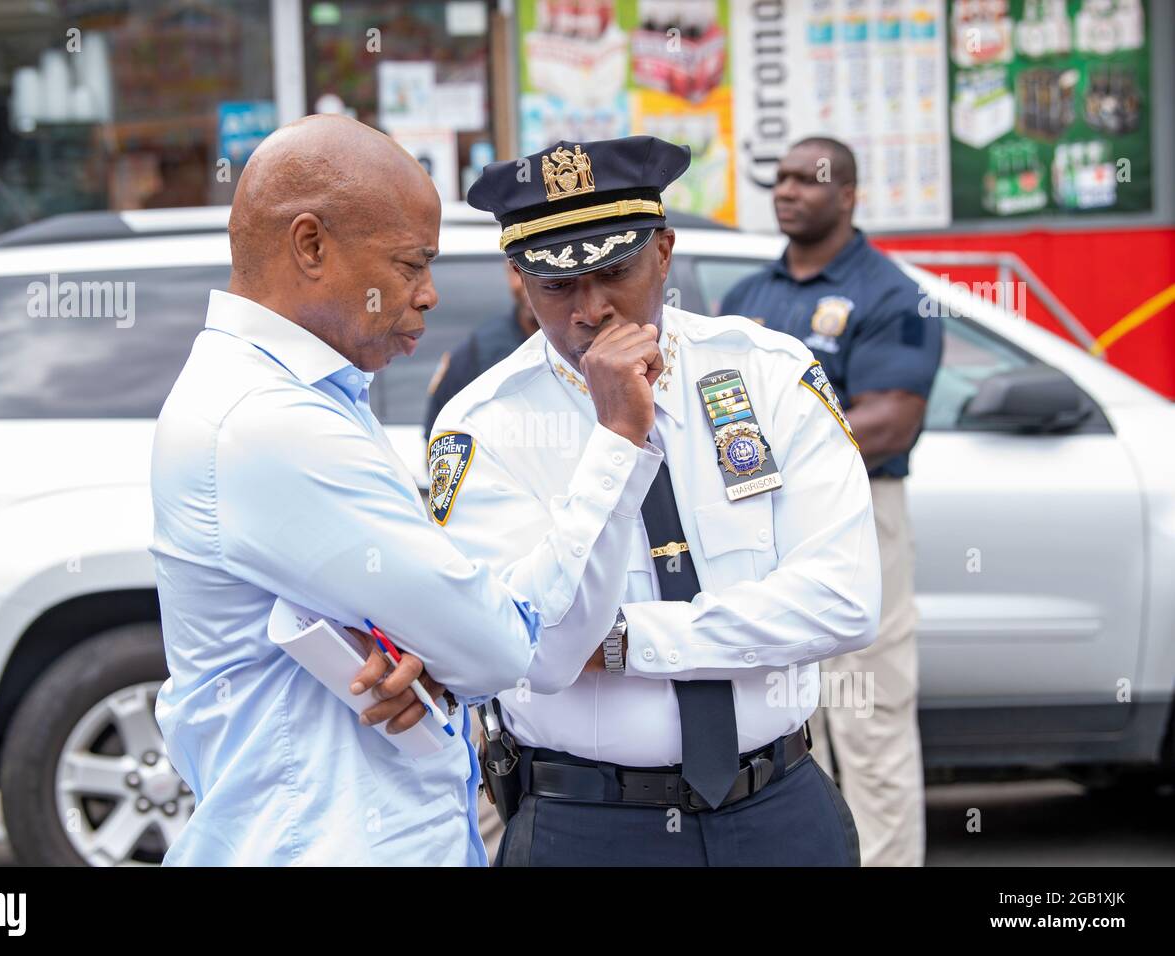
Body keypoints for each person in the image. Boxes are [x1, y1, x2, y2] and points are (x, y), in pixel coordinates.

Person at [149, 115, 662, 865]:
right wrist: (616, 439)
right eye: (411, 264)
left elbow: (440, 634)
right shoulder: (269, 421)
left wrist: (429, 651)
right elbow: (499, 647)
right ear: (311, 244)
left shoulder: (291, 396)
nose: (427, 295)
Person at [430, 135, 881, 866]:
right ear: (518, 278)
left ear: (664, 253)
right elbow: (539, 649)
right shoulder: (484, 424)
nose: (592, 310)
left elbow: (845, 598)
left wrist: (625, 644)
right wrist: (616, 439)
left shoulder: (766, 372)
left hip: (777, 805)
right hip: (592, 823)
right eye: (556, 285)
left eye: (615, 272)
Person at [718, 136, 943, 867]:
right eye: (778, 179)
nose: (786, 191)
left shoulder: (892, 294)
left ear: (847, 195)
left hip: (855, 512)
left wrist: (764, 449)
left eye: (805, 180)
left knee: (869, 719)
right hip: (756, 520)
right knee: (783, 720)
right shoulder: (750, 296)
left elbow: (890, 420)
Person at [424, 260, 538, 439]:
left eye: (540, 269)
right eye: (518, 270)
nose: (531, 283)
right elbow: (439, 439)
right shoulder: (477, 351)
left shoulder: (589, 346)